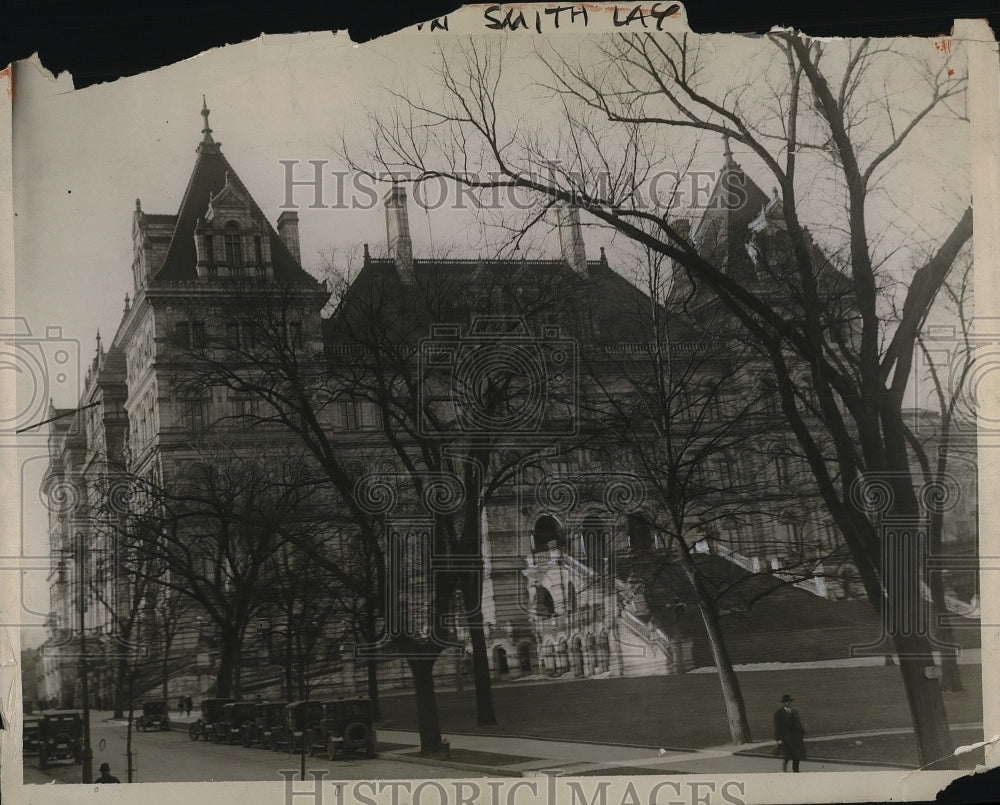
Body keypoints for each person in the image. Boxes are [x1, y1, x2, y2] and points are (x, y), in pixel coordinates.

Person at [773, 694, 806, 772]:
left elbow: (798, 723)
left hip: (795, 737)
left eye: (789, 702)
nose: (788, 703)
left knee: (797, 754)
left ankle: (796, 769)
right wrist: (778, 739)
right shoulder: (779, 712)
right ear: (783, 703)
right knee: (786, 755)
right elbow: (777, 726)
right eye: (786, 702)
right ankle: (784, 770)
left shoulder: (794, 712)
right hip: (785, 737)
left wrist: (801, 733)